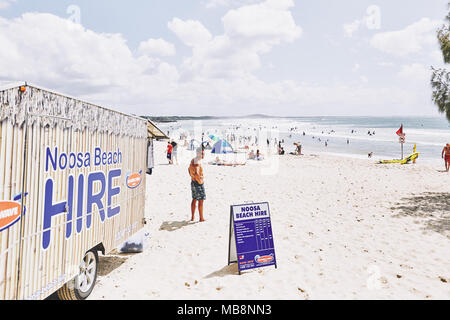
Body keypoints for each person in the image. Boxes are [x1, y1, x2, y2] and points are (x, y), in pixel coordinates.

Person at [188, 148, 206, 222]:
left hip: (193, 182)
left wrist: (193, 176)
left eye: (203, 153)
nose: (203, 155)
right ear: (198, 153)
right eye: (202, 153)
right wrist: (200, 181)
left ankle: (192, 217)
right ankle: (201, 218)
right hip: (198, 183)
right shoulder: (197, 162)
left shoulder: (193, 160)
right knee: (201, 200)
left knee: (194, 199)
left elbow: (189, 170)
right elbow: (197, 174)